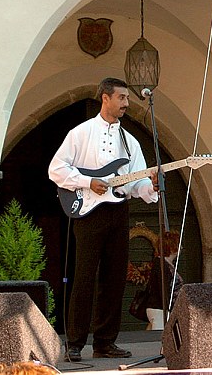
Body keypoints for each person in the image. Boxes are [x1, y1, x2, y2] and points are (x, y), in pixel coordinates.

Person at [48, 77, 159, 361]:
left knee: (114, 278)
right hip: (88, 211)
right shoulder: (80, 133)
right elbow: (56, 169)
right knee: (84, 276)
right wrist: (88, 181)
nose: (126, 104)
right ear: (105, 98)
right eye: (121, 98)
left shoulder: (130, 141)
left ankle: (105, 342)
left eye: (127, 99)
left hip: (118, 210)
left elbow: (137, 183)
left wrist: (151, 186)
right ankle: (74, 343)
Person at [145, 230, 184, 330]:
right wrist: (169, 308)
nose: (181, 247)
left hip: (164, 310)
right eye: (178, 244)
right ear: (171, 246)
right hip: (160, 310)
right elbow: (163, 289)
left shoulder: (167, 265)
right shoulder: (161, 265)